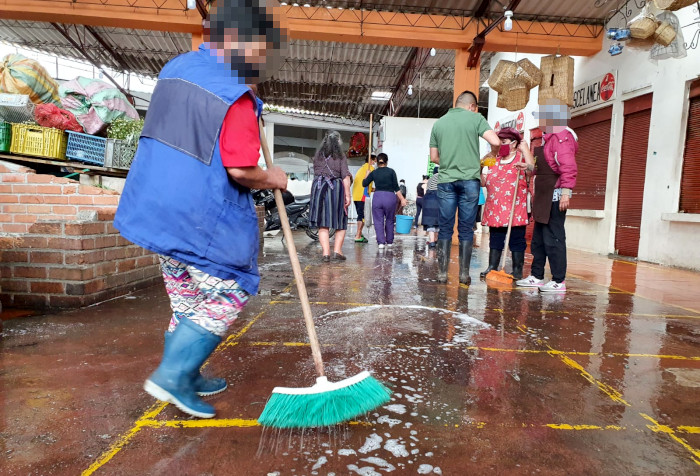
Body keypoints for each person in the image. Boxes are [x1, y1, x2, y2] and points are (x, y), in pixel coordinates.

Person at [114, 5, 288, 419]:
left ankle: (188, 375)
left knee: (188, 297)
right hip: (197, 214)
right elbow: (241, 170)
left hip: (153, 205)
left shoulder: (176, 68)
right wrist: (275, 178)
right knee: (229, 289)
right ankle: (172, 374)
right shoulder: (235, 95)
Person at [429, 90, 501, 284]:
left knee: (445, 227)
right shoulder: (475, 118)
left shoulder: (439, 123)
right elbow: (496, 141)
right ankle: (463, 274)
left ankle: (443, 274)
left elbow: (434, 157)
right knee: (466, 228)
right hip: (470, 180)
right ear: (472, 106)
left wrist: (451, 161)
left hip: (446, 180)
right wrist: (492, 155)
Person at [517, 100, 578, 292]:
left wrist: (566, 194)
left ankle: (559, 280)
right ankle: (537, 276)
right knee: (539, 239)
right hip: (543, 195)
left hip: (555, 195)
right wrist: (528, 167)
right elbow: (544, 167)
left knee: (554, 239)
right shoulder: (548, 138)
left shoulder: (562, 137)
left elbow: (568, 167)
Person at [480, 128, 535, 280]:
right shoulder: (493, 159)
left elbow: (531, 170)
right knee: (495, 238)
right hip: (495, 207)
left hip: (515, 208)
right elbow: (483, 183)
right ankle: (492, 266)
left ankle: (517, 270)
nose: (500, 146)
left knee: (516, 239)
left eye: (503, 143)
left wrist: (525, 149)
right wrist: (480, 168)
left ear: (514, 143)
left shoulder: (521, 157)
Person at [309, 131, 352, 261]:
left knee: (323, 223)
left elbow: (316, 173)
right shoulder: (340, 156)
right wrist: (348, 196)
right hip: (335, 188)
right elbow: (345, 176)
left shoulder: (318, 156)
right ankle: (337, 251)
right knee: (341, 219)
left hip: (318, 187)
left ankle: (326, 253)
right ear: (338, 143)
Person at [362, 153, 406, 249]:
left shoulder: (374, 172)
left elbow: (364, 183)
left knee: (378, 221)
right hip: (390, 197)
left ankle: (381, 243)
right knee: (390, 220)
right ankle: (389, 242)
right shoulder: (391, 172)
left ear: (377, 162)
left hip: (378, 197)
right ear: (386, 162)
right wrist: (402, 199)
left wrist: (366, 175)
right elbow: (396, 188)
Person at [352, 154, 376, 243]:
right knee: (362, 216)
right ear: (370, 160)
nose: (375, 163)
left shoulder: (361, 168)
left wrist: (374, 189)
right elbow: (366, 183)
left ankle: (359, 233)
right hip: (363, 195)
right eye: (374, 161)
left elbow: (369, 185)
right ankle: (358, 235)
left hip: (356, 195)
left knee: (360, 214)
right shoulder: (370, 169)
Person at [422, 167, 440, 248]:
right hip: (438, 199)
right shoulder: (442, 177)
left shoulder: (431, 179)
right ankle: (436, 241)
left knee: (431, 223)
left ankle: (432, 242)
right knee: (438, 222)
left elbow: (426, 190)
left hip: (428, 200)